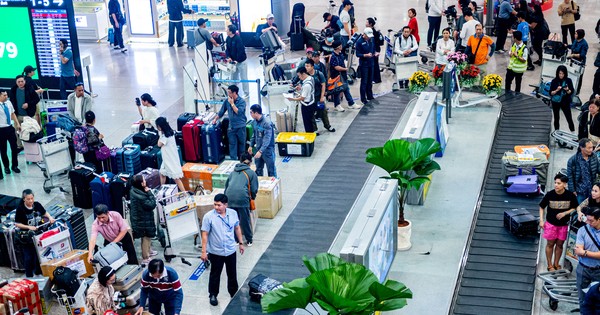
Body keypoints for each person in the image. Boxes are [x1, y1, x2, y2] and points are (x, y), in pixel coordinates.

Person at [201, 193, 245, 306]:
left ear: (226, 205)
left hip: (230, 250)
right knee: (215, 274)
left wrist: (240, 243)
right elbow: (205, 234)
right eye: (215, 205)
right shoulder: (209, 217)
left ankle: (233, 293)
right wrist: (204, 251)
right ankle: (213, 294)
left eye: (219, 205)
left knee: (232, 273)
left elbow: (237, 227)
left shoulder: (233, 214)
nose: (216, 207)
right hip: (216, 252)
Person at [539, 173, 578, 271]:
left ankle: (556, 263)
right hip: (551, 224)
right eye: (555, 183)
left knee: (560, 245)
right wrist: (541, 220)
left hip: (563, 225)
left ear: (564, 184)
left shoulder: (570, 195)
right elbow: (541, 207)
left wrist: (565, 213)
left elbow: (575, 207)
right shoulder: (550, 194)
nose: (556, 185)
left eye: (559, 183)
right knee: (550, 244)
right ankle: (549, 265)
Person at [14, 189, 55, 277]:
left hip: (38, 235)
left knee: (38, 255)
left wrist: (50, 217)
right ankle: (29, 275)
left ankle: (38, 271)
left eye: (32, 198)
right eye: (28, 199)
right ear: (24, 199)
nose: (31, 201)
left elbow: (44, 213)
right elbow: (17, 224)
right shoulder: (20, 209)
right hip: (27, 238)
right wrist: (29, 227)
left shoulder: (37, 205)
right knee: (28, 257)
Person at [224, 152, 258, 246]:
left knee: (232, 219)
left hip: (229, 198)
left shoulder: (232, 173)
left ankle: (235, 239)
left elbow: (226, 187)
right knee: (244, 220)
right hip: (242, 198)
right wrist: (252, 198)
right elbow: (254, 189)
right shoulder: (251, 173)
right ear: (250, 162)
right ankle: (249, 239)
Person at [574, 206, 600, 309]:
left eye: (591, 221)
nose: (588, 223)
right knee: (582, 299)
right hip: (583, 269)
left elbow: (581, 251)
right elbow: (578, 250)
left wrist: (584, 252)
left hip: (598, 271)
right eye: (587, 219)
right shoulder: (582, 230)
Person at [129, 174, 158, 265]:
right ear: (141, 184)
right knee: (146, 238)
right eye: (144, 180)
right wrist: (150, 193)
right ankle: (146, 257)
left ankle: (149, 250)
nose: (145, 181)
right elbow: (152, 204)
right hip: (142, 221)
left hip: (142, 218)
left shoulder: (134, 190)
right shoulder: (141, 196)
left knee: (148, 236)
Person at [214, 85, 247, 160]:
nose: (228, 94)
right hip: (231, 127)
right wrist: (215, 119)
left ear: (234, 93)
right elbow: (221, 111)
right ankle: (233, 161)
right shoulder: (227, 101)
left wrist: (232, 104)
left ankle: (242, 161)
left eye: (229, 93)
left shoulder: (242, 102)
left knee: (241, 145)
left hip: (240, 127)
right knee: (232, 145)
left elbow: (238, 112)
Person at [9, 75, 38, 153]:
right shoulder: (13, 89)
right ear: (16, 82)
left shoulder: (29, 88)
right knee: (16, 131)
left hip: (28, 115)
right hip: (18, 115)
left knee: (30, 132)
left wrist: (28, 104)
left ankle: (32, 147)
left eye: (22, 81)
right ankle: (19, 146)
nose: (20, 83)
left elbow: (36, 99)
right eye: (19, 82)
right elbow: (12, 101)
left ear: (25, 81)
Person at [155, 117, 185, 191]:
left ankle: (184, 193)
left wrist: (160, 135)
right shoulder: (170, 133)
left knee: (176, 178)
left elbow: (159, 144)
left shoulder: (165, 136)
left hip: (169, 159)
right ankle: (162, 189)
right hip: (168, 157)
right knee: (162, 173)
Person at [305, 58, 335, 133]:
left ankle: (328, 126)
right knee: (311, 114)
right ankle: (314, 129)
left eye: (308, 66)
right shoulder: (305, 75)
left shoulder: (319, 74)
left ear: (312, 66)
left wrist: (322, 97)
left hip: (318, 97)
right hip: (309, 98)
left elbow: (323, 85)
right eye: (306, 66)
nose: (306, 68)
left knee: (323, 112)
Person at [567, 138, 600, 204]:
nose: (592, 149)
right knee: (579, 210)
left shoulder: (594, 157)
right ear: (582, 148)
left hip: (592, 190)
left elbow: (598, 169)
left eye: (592, 147)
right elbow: (570, 177)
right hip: (580, 191)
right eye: (589, 148)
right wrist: (572, 190)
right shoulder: (573, 160)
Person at [248, 104, 277, 178]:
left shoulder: (267, 123)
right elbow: (254, 135)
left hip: (267, 151)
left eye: (251, 112)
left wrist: (261, 151)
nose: (250, 114)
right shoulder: (254, 122)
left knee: (271, 171)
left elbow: (267, 140)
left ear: (256, 113)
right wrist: (251, 145)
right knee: (258, 170)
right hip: (258, 149)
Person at [329, 41, 359, 111]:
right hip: (336, 76)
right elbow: (336, 67)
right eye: (340, 45)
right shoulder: (333, 56)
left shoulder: (340, 54)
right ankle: (337, 105)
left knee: (346, 88)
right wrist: (345, 69)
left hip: (342, 75)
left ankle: (351, 103)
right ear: (338, 47)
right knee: (337, 90)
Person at [287, 67, 316, 134]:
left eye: (299, 76)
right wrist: (300, 88)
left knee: (307, 123)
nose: (299, 78)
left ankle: (309, 138)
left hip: (307, 106)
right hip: (311, 103)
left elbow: (302, 98)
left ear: (303, 74)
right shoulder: (311, 78)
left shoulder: (307, 85)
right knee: (310, 122)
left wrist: (292, 99)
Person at [0, 90, 21, 179]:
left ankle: (14, 165)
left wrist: (17, 123)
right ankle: (6, 167)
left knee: (14, 148)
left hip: (10, 128)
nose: (6, 96)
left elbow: (12, 114)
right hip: (1, 130)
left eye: (6, 95)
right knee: (3, 150)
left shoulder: (8, 103)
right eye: (4, 95)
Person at [550, 65, 576, 132]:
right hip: (555, 102)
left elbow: (571, 92)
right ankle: (556, 132)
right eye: (560, 73)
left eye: (563, 73)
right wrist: (556, 90)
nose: (561, 75)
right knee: (556, 118)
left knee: (569, 118)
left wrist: (567, 90)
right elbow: (551, 93)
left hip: (565, 101)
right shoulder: (554, 81)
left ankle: (573, 132)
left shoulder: (568, 80)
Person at [225, 25, 249, 98]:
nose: (226, 30)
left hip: (241, 62)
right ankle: (233, 92)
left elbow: (241, 51)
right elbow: (227, 49)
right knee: (233, 78)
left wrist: (237, 60)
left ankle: (246, 93)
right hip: (233, 62)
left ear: (231, 31)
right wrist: (228, 57)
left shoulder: (238, 39)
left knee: (243, 77)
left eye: (227, 29)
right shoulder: (228, 38)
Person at [356, 28, 376, 106]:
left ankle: (370, 95)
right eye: (368, 36)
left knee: (370, 81)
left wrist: (374, 53)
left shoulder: (371, 40)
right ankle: (363, 98)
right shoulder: (359, 42)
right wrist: (365, 55)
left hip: (371, 63)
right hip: (364, 64)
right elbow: (358, 54)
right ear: (364, 34)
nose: (369, 38)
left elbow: (373, 48)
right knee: (364, 81)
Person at [366, 17, 383, 84]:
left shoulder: (372, 32)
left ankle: (376, 79)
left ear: (370, 24)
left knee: (375, 64)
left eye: (367, 22)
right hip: (375, 49)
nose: (366, 23)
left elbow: (373, 42)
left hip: (374, 50)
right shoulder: (372, 30)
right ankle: (374, 78)